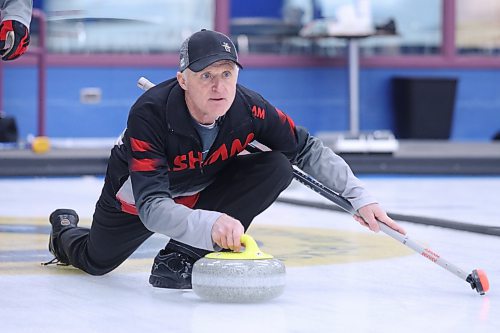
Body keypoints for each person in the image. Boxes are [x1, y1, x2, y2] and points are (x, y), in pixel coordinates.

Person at [44, 29, 405, 289]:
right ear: (182, 80)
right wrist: (210, 223)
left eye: (227, 74)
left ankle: (181, 256)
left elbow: (307, 149)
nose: (219, 86)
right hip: (138, 197)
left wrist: (360, 197)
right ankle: (63, 231)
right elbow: (152, 206)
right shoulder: (150, 114)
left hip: (203, 185)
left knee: (279, 164)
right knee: (96, 262)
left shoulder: (251, 109)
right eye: (206, 76)